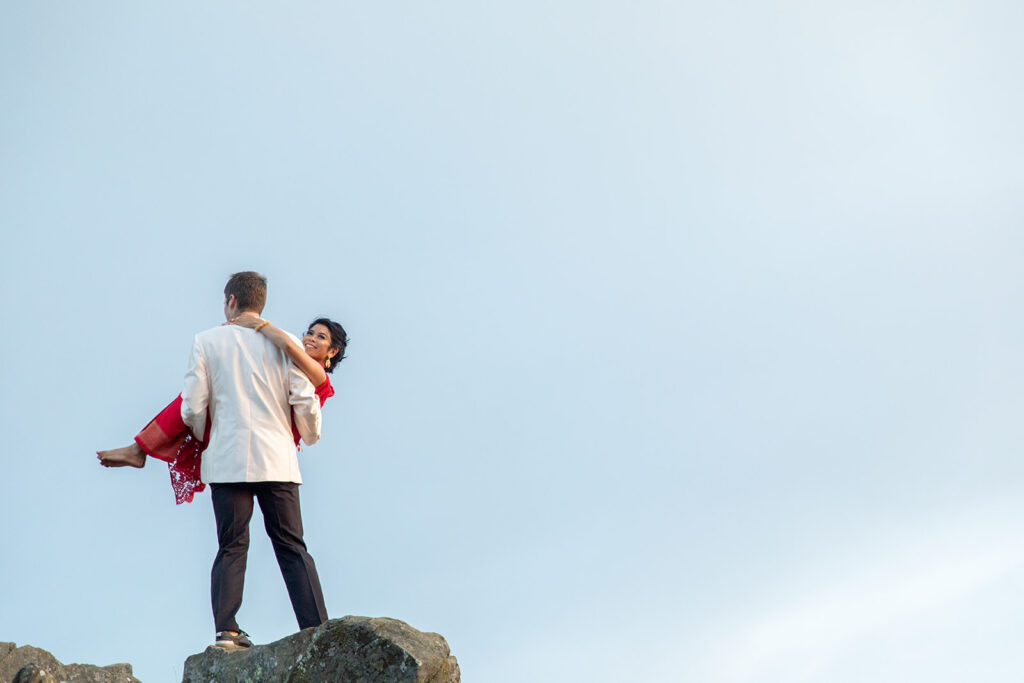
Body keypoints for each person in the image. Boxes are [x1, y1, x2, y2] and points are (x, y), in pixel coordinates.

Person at [96, 315, 347, 505]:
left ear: (332, 352)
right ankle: (140, 448)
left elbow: (289, 346)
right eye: (310, 333)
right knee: (194, 396)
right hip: (258, 431)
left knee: (192, 398)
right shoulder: (290, 364)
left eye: (320, 337)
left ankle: (139, 449)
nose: (310, 339)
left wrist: (254, 323)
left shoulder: (318, 376)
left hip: (267, 444)